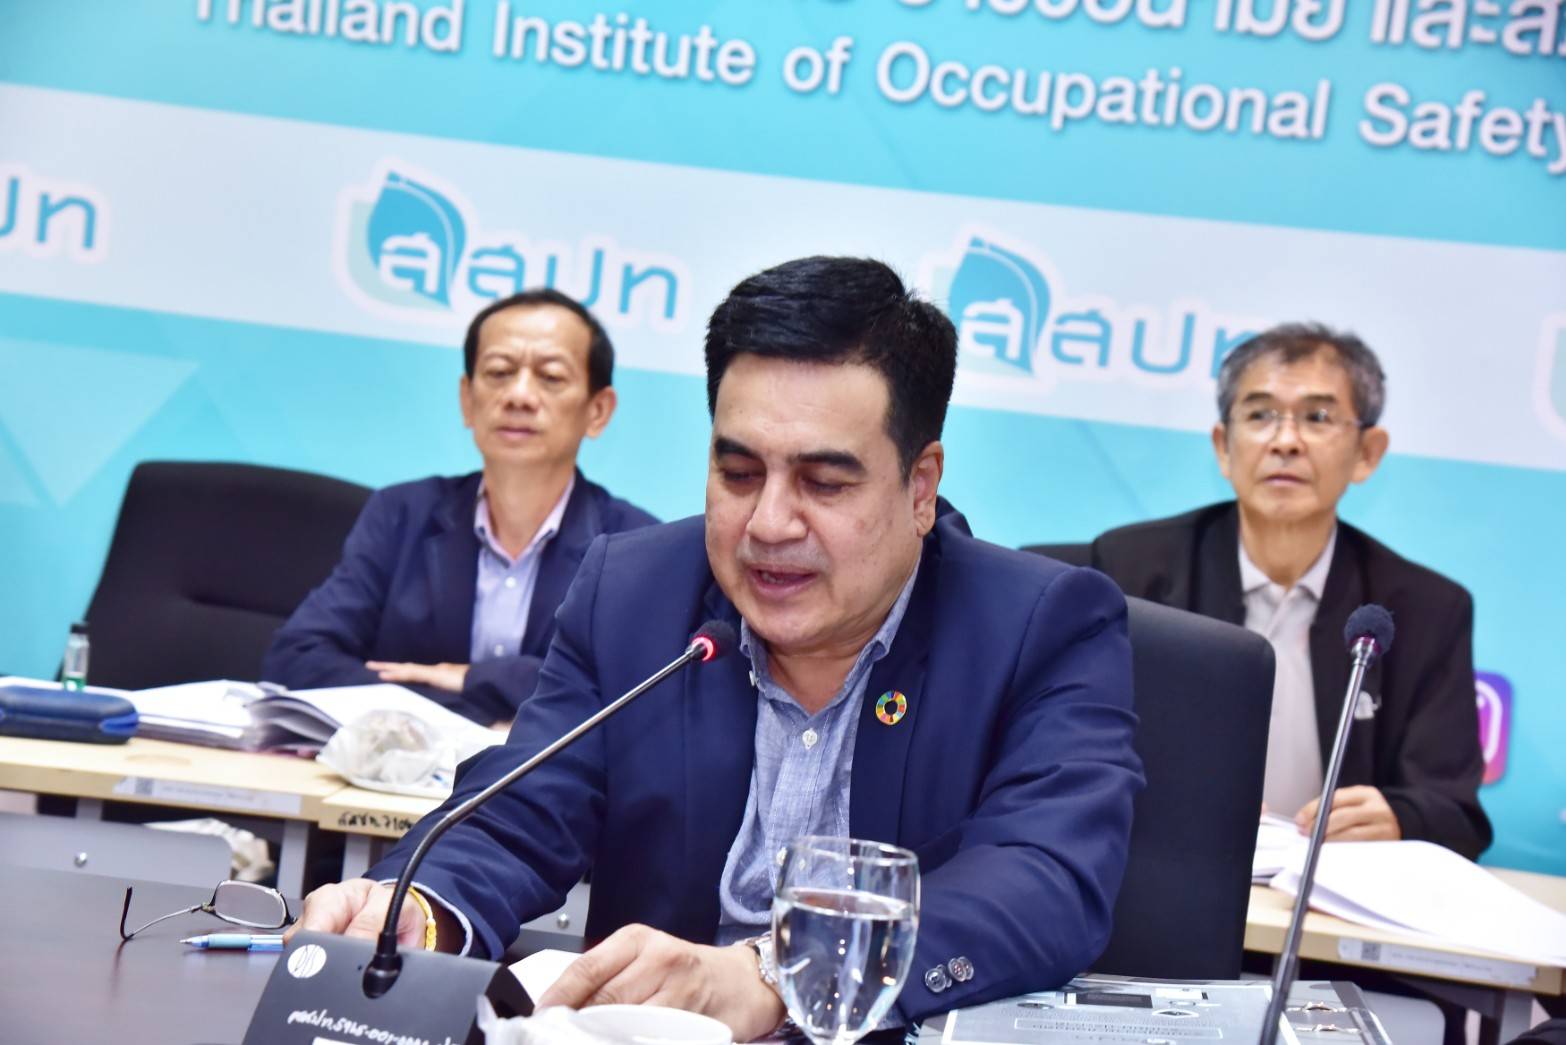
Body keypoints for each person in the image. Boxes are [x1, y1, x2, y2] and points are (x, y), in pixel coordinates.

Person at [287, 256, 1144, 1038]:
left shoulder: (1039, 625)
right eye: (738, 474)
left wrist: (778, 972)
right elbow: (518, 814)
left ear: (920, 487)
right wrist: (421, 907)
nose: (767, 523)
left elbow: (1046, 879)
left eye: (823, 482)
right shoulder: (634, 594)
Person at [1091, 323, 1491, 859]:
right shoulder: (1131, 572)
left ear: (1367, 452)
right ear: (1223, 447)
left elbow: (1457, 813)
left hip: (1328, 892)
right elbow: (1076, 751)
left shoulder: (1425, 609)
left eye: (1317, 417)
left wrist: (1402, 816)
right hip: (1165, 870)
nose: (1285, 442)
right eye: (1260, 415)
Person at [262, 289, 658, 725]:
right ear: (467, 400)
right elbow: (296, 656)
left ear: (598, 411)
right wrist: (457, 711)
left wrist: (472, 679)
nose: (519, 396)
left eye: (550, 377)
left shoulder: (635, 547)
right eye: (499, 372)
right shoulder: (401, 514)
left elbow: (633, 686)